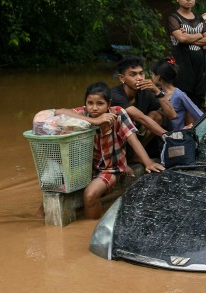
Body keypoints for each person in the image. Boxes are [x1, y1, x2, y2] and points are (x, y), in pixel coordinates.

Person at [55, 83, 164, 218]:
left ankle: (91, 230)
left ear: (108, 104)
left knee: (90, 195)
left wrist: (148, 162)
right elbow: (58, 112)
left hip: (111, 169)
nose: (94, 108)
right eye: (90, 103)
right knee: (53, 193)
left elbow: (132, 139)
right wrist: (93, 121)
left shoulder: (118, 113)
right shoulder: (85, 113)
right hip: (87, 168)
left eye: (100, 103)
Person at [109, 56, 174, 158]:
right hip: (118, 140)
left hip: (138, 135)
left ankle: (136, 156)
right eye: (133, 74)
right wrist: (171, 137)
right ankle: (129, 157)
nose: (139, 78)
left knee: (157, 115)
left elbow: (172, 115)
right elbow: (141, 118)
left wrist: (157, 91)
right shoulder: (115, 95)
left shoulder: (145, 91)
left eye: (141, 73)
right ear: (122, 78)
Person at [166, 0, 206, 108]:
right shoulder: (173, 18)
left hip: (200, 67)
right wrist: (199, 35)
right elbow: (181, 39)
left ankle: (195, 126)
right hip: (182, 66)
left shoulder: (199, 18)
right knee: (183, 98)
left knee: (198, 99)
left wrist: (189, 37)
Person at [151, 58, 203, 130]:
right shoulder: (156, 93)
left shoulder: (179, 95)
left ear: (159, 77)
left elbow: (197, 113)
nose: (151, 77)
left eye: (153, 74)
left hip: (178, 135)